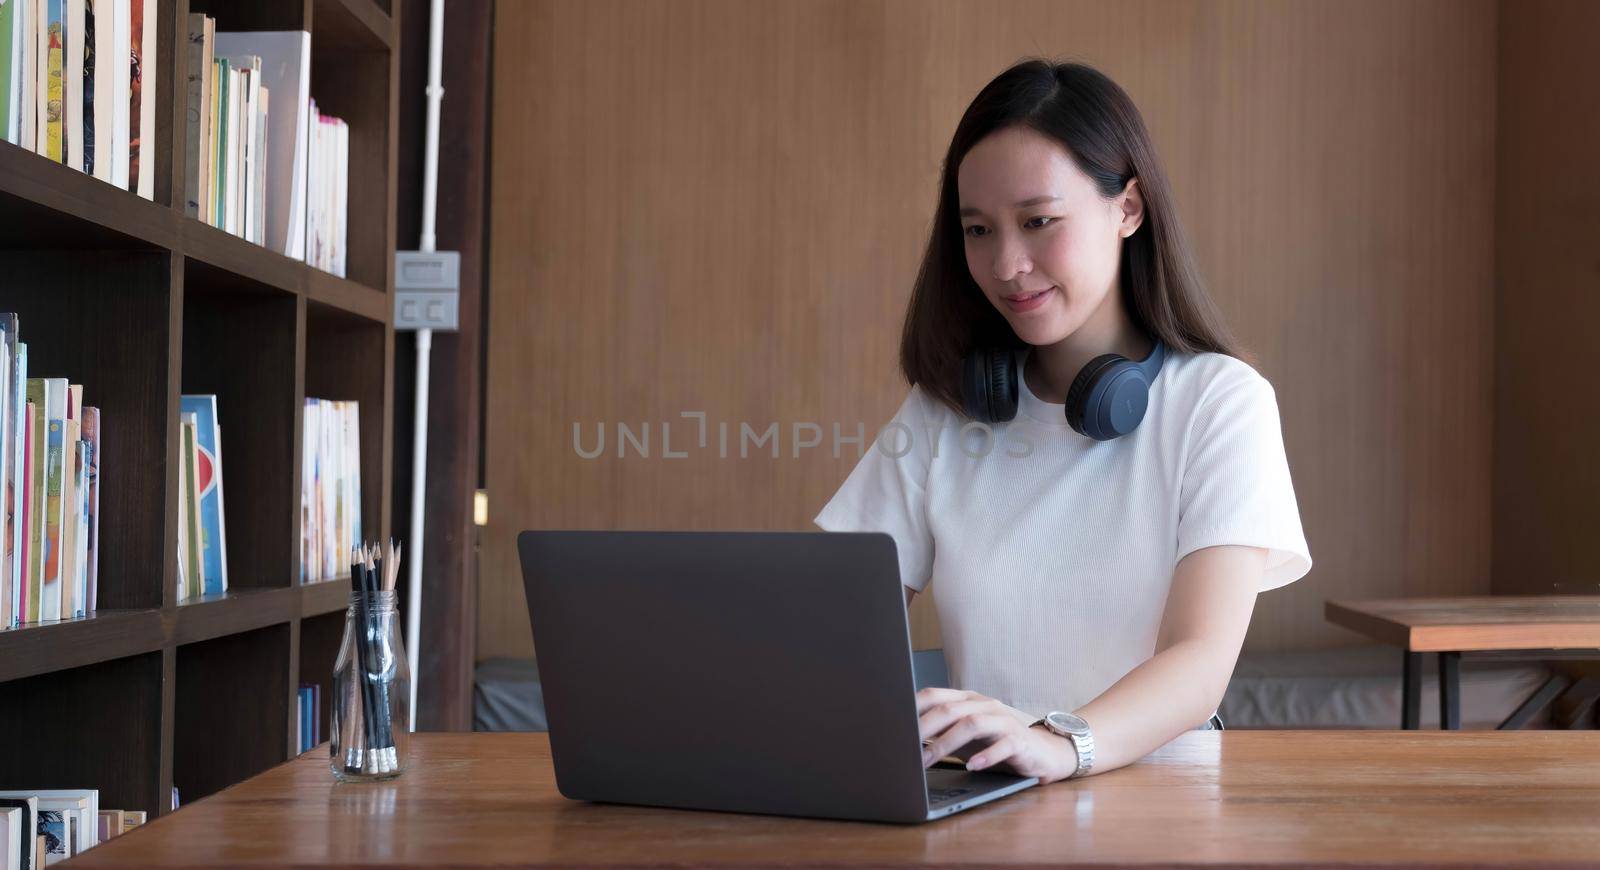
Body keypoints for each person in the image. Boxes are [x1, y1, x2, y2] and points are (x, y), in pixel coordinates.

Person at [813, 59, 1312, 785]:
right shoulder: (946, 410)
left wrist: (1057, 741)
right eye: (977, 230)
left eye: (1038, 221)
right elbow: (826, 616)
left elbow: (1199, 661)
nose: (1006, 264)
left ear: (1128, 209)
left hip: (1160, 802)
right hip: (989, 797)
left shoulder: (1219, 402)